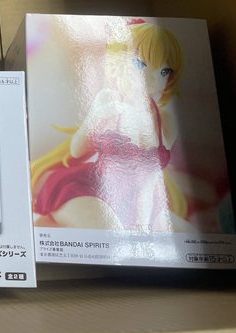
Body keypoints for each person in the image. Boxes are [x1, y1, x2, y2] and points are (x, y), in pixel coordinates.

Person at [31, 21, 193, 232]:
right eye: (140, 65)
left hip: (140, 200)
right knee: (113, 233)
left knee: (188, 234)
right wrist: (94, 119)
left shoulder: (166, 120)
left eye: (164, 71)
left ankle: (57, 224)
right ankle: (55, 221)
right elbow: (77, 151)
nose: (153, 79)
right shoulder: (107, 100)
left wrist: (142, 223)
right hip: (93, 189)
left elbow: (151, 179)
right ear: (118, 65)